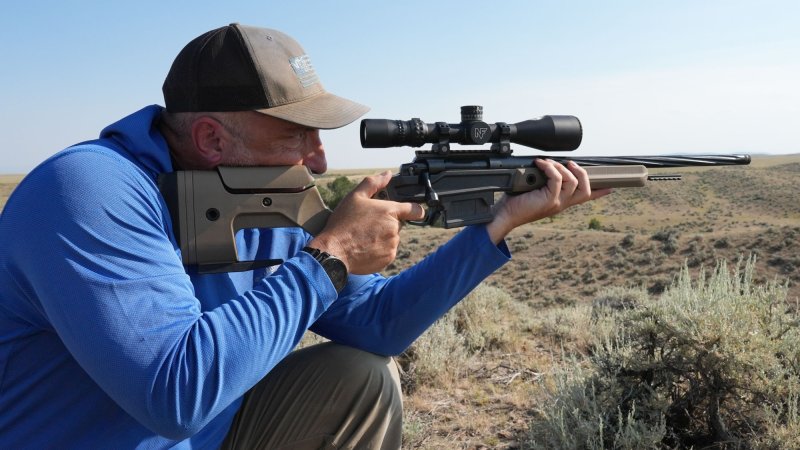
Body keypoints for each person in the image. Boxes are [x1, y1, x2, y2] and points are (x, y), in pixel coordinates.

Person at [0, 23, 609, 449]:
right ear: (212, 139)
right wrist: (330, 257)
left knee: (360, 375)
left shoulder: (261, 194)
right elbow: (175, 395)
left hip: (213, 439)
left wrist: (496, 225)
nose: (319, 159)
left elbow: (377, 324)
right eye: (298, 135)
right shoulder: (86, 190)